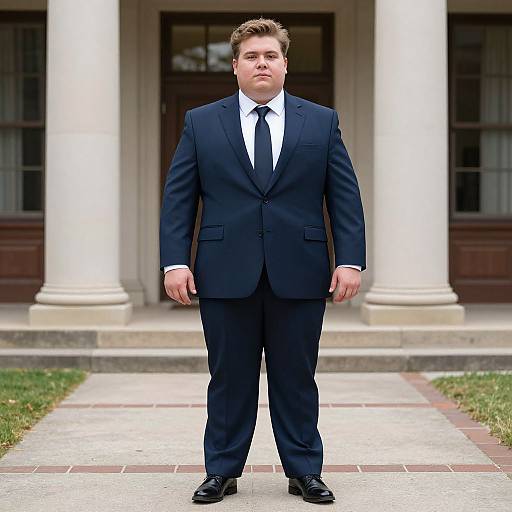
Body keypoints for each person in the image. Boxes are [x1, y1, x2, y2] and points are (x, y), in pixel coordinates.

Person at [159, 17, 366, 504]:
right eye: (251, 57)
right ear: (235, 67)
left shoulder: (322, 121)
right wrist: (175, 262)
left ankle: (304, 470)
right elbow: (179, 199)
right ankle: (222, 471)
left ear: (285, 64)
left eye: (271, 55)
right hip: (224, 271)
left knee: (297, 376)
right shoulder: (200, 122)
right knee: (229, 377)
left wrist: (350, 260)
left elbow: (344, 197)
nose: (262, 63)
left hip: (301, 270)